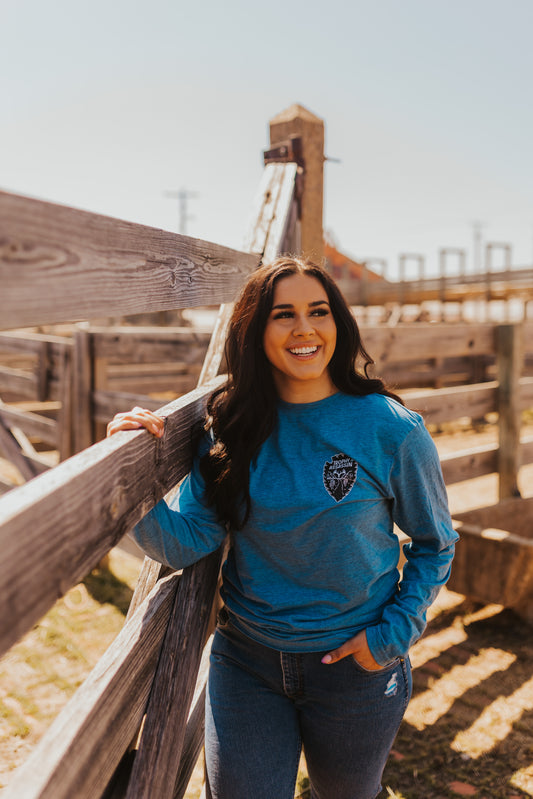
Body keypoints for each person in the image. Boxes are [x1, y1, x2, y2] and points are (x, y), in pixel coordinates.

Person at [107, 256, 458, 799]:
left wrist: (389, 637)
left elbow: (436, 543)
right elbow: (185, 541)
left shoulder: (390, 429)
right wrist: (125, 472)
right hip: (248, 660)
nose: (304, 329)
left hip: (356, 667)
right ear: (255, 330)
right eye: (282, 315)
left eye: (318, 311)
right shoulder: (231, 426)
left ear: (337, 322)